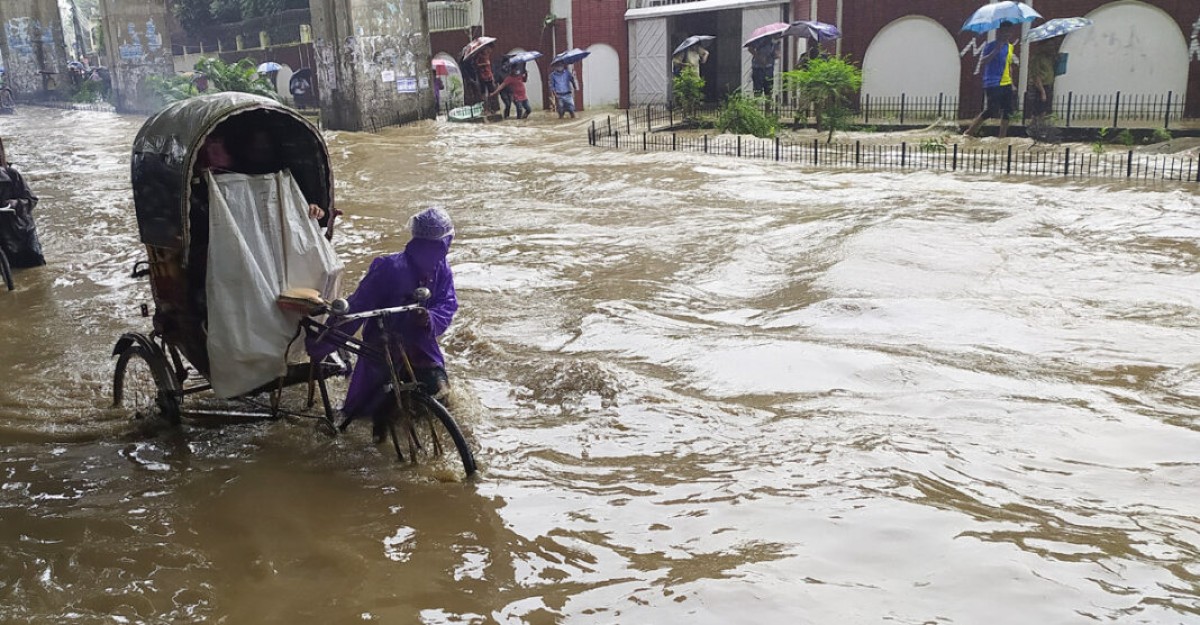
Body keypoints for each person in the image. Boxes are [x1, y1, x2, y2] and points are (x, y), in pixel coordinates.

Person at [308, 206, 459, 439]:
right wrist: (325, 341)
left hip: (420, 345)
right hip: (383, 342)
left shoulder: (443, 270)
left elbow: (447, 304)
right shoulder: (389, 268)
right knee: (376, 406)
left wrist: (429, 318)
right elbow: (358, 305)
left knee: (442, 395)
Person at [963, 23, 1019, 138]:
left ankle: (1002, 137)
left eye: (1009, 32)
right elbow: (983, 61)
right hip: (993, 83)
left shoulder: (1010, 47)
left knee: (1007, 111)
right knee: (991, 110)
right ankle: (969, 132)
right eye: (1004, 31)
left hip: (1006, 82)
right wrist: (995, 51)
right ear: (999, 32)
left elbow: (1009, 66)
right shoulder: (991, 46)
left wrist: (1012, 83)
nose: (1006, 34)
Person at [0, 137, 45, 269]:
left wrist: (14, 204)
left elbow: (31, 200)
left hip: (20, 234)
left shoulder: (12, 174)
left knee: (33, 271)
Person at [473, 43, 498, 114]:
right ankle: (485, 109)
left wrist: (492, 76)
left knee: (491, 92)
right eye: (488, 49)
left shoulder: (487, 56)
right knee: (483, 94)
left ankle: (492, 109)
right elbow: (476, 65)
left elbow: (489, 68)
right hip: (482, 77)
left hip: (489, 76)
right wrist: (485, 64)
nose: (489, 51)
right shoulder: (479, 56)